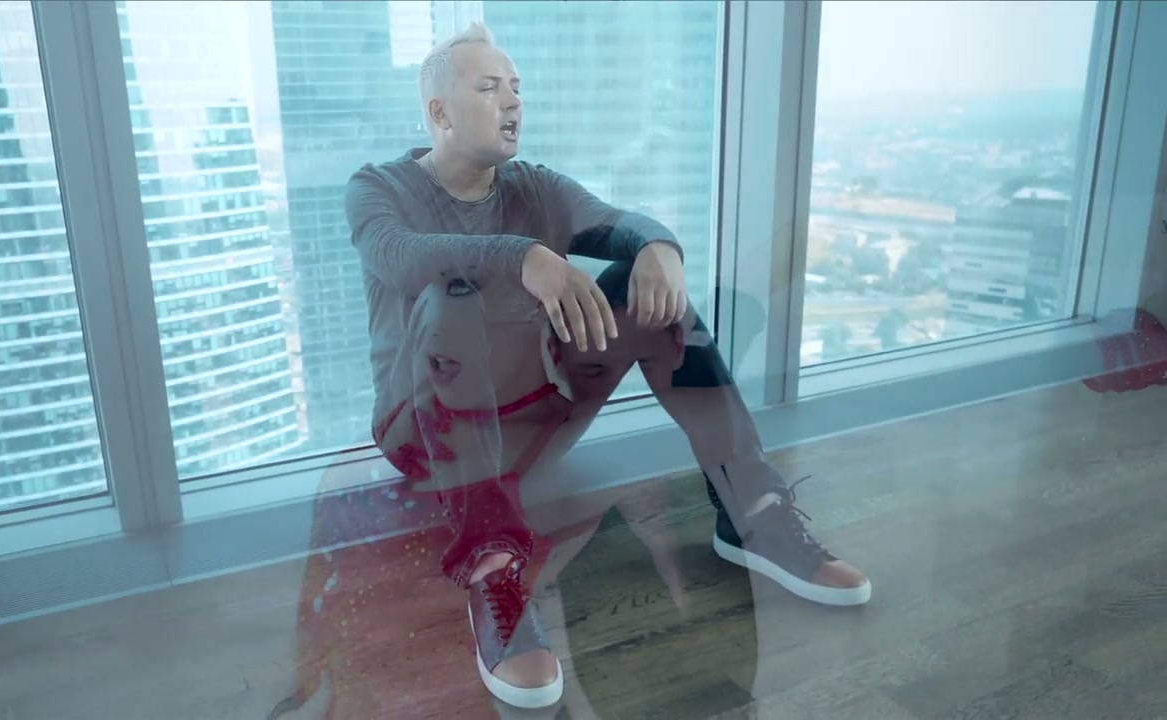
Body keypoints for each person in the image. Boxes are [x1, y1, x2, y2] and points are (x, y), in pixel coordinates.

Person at [272, 23, 871, 718]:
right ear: (439, 112)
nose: (512, 102)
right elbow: (403, 258)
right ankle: (493, 572)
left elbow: (620, 222)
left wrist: (658, 248)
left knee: (649, 297)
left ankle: (754, 515)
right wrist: (524, 257)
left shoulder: (535, 186)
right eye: (489, 88)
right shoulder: (378, 189)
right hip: (425, 435)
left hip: (531, 416)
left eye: (516, 88)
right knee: (449, 296)